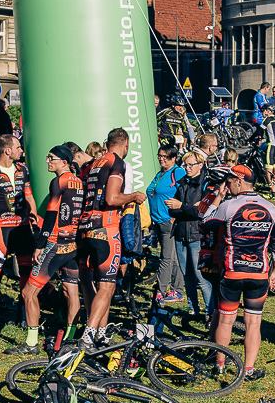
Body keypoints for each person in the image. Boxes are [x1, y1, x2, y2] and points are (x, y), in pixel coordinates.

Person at [203, 164, 275, 380]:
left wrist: (217, 199)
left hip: (233, 271)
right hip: (259, 273)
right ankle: (248, 369)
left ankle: (220, 365)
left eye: (230, 182)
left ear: (239, 181)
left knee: (226, 320)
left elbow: (206, 221)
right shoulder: (271, 208)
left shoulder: (229, 206)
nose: (227, 186)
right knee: (253, 322)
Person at [11, 143, 85, 354]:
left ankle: (31, 343)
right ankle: (69, 338)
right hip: (72, 244)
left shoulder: (58, 181)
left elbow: (52, 215)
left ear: (64, 161)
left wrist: (40, 244)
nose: (47, 162)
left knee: (28, 292)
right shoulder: (78, 182)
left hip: (55, 244)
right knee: (71, 291)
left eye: (51, 158)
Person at [78, 128, 142, 341]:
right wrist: (134, 196)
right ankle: (89, 334)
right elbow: (112, 198)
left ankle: (100, 333)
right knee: (107, 286)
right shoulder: (117, 162)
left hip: (85, 227)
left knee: (92, 283)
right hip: (106, 228)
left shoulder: (95, 162)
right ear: (126, 144)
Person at [0, 134, 37, 331]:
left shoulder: (23, 169)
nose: (21, 150)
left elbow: (29, 197)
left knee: (26, 271)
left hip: (22, 227)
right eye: (18, 147)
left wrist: (34, 220)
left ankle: (24, 314)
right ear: (7, 150)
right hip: (0, 227)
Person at [170, 148, 214, 322]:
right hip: (181, 233)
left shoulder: (206, 184)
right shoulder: (182, 183)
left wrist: (182, 206)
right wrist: (186, 208)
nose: (187, 168)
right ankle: (192, 308)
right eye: (185, 165)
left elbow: (200, 211)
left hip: (197, 234)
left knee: (200, 276)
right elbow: (171, 210)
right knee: (186, 274)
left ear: (200, 165)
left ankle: (210, 312)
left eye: (190, 165)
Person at [146, 145, 185, 307]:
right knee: (173, 257)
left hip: (169, 221)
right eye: (160, 156)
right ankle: (177, 289)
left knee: (166, 258)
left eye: (165, 157)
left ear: (174, 158)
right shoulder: (160, 173)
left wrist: (178, 213)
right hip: (158, 222)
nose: (161, 159)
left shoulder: (178, 172)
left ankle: (161, 291)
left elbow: (185, 194)